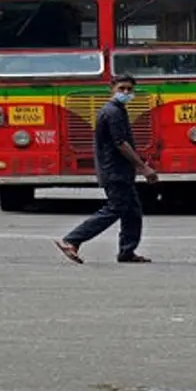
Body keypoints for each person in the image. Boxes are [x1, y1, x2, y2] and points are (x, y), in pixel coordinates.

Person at [53, 75, 158, 265]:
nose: (126, 92)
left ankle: (127, 251)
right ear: (112, 88)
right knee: (115, 208)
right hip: (114, 170)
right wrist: (143, 167)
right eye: (122, 88)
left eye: (129, 89)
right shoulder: (112, 112)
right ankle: (72, 239)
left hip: (120, 170)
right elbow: (121, 143)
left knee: (132, 211)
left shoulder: (118, 110)